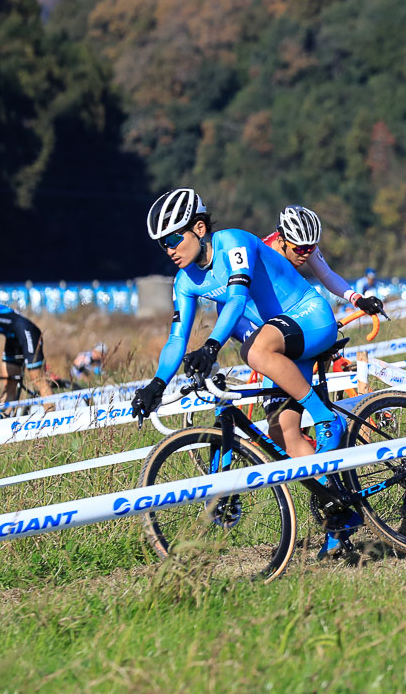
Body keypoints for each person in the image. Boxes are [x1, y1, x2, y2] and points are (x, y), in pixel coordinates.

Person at [131, 188, 354, 558]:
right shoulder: (185, 281)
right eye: (161, 244)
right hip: (283, 338)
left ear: (199, 228)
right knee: (283, 432)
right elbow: (176, 338)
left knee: (255, 350)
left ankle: (326, 417)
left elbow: (236, 299)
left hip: (310, 317)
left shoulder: (233, 242)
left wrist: (212, 347)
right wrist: (156, 383)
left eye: (173, 238)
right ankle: (338, 514)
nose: (168, 249)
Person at [260, 205, 384, 460]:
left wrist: (356, 298)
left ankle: (328, 424)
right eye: (300, 249)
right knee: (278, 430)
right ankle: (328, 482)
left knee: (285, 428)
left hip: (298, 328)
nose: (306, 254)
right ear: (281, 239)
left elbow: (326, 274)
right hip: (281, 329)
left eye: (311, 248)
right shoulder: (263, 254)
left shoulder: (302, 245)